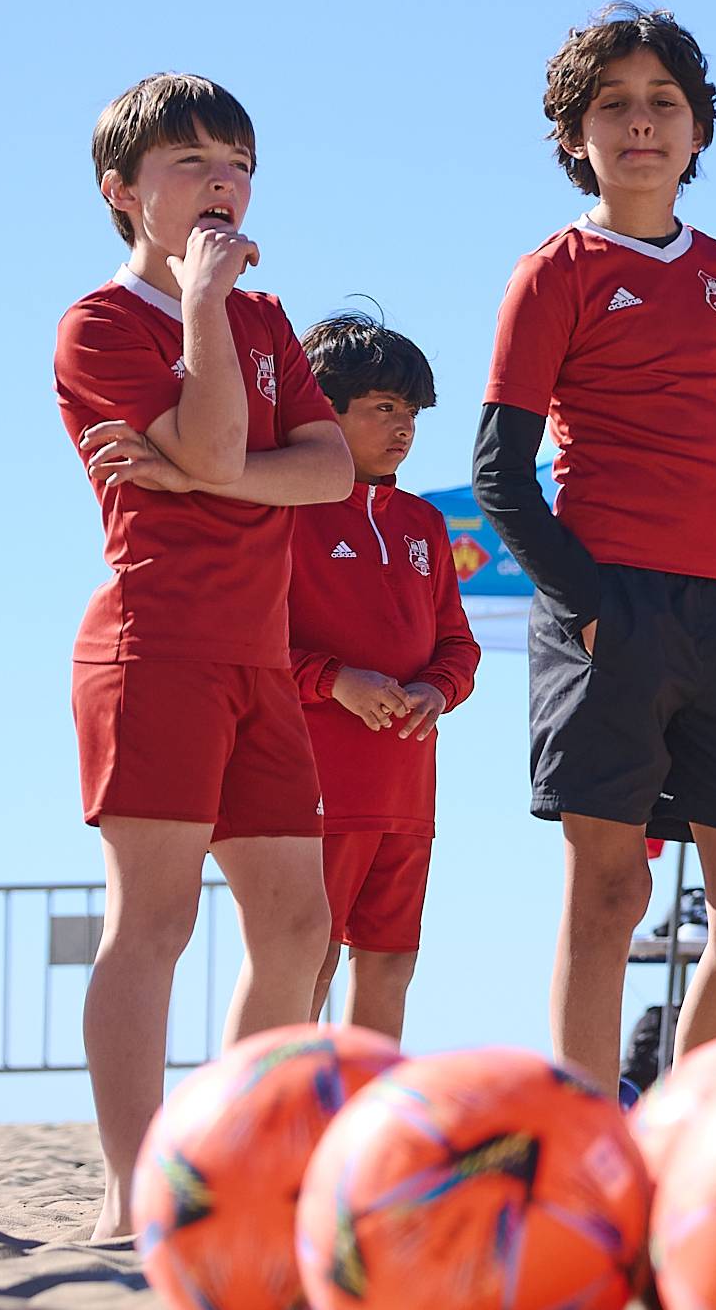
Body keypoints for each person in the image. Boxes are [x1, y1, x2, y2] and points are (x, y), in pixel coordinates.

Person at [475, 5, 716, 1091]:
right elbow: (498, 473)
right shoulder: (552, 271)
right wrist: (589, 605)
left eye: (664, 102)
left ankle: (679, 1127)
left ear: (698, 129)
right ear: (577, 135)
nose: (641, 122)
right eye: (613, 105)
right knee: (610, 894)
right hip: (608, 611)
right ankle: (582, 1131)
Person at [55, 72, 354, 1238]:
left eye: (238, 163)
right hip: (153, 647)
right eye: (192, 162)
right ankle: (134, 1189)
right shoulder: (100, 322)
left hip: (259, 658)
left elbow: (329, 471)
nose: (223, 182)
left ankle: (225, 1165)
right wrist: (201, 310)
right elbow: (226, 442)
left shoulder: (268, 319)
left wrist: (201, 467)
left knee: (299, 928)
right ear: (124, 192)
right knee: (156, 921)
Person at [289, 313, 479, 1041]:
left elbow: (458, 644)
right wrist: (334, 680)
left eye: (412, 413)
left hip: (407, 795)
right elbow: (256, 644)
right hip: (316, 793)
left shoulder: (426, 523)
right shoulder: (286, 513)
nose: (403, 427)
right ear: (326, 410)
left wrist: (438, 689)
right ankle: (284, 1101)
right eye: (383, 407)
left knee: (392, 962)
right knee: (306, 960)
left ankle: (368, 1105)